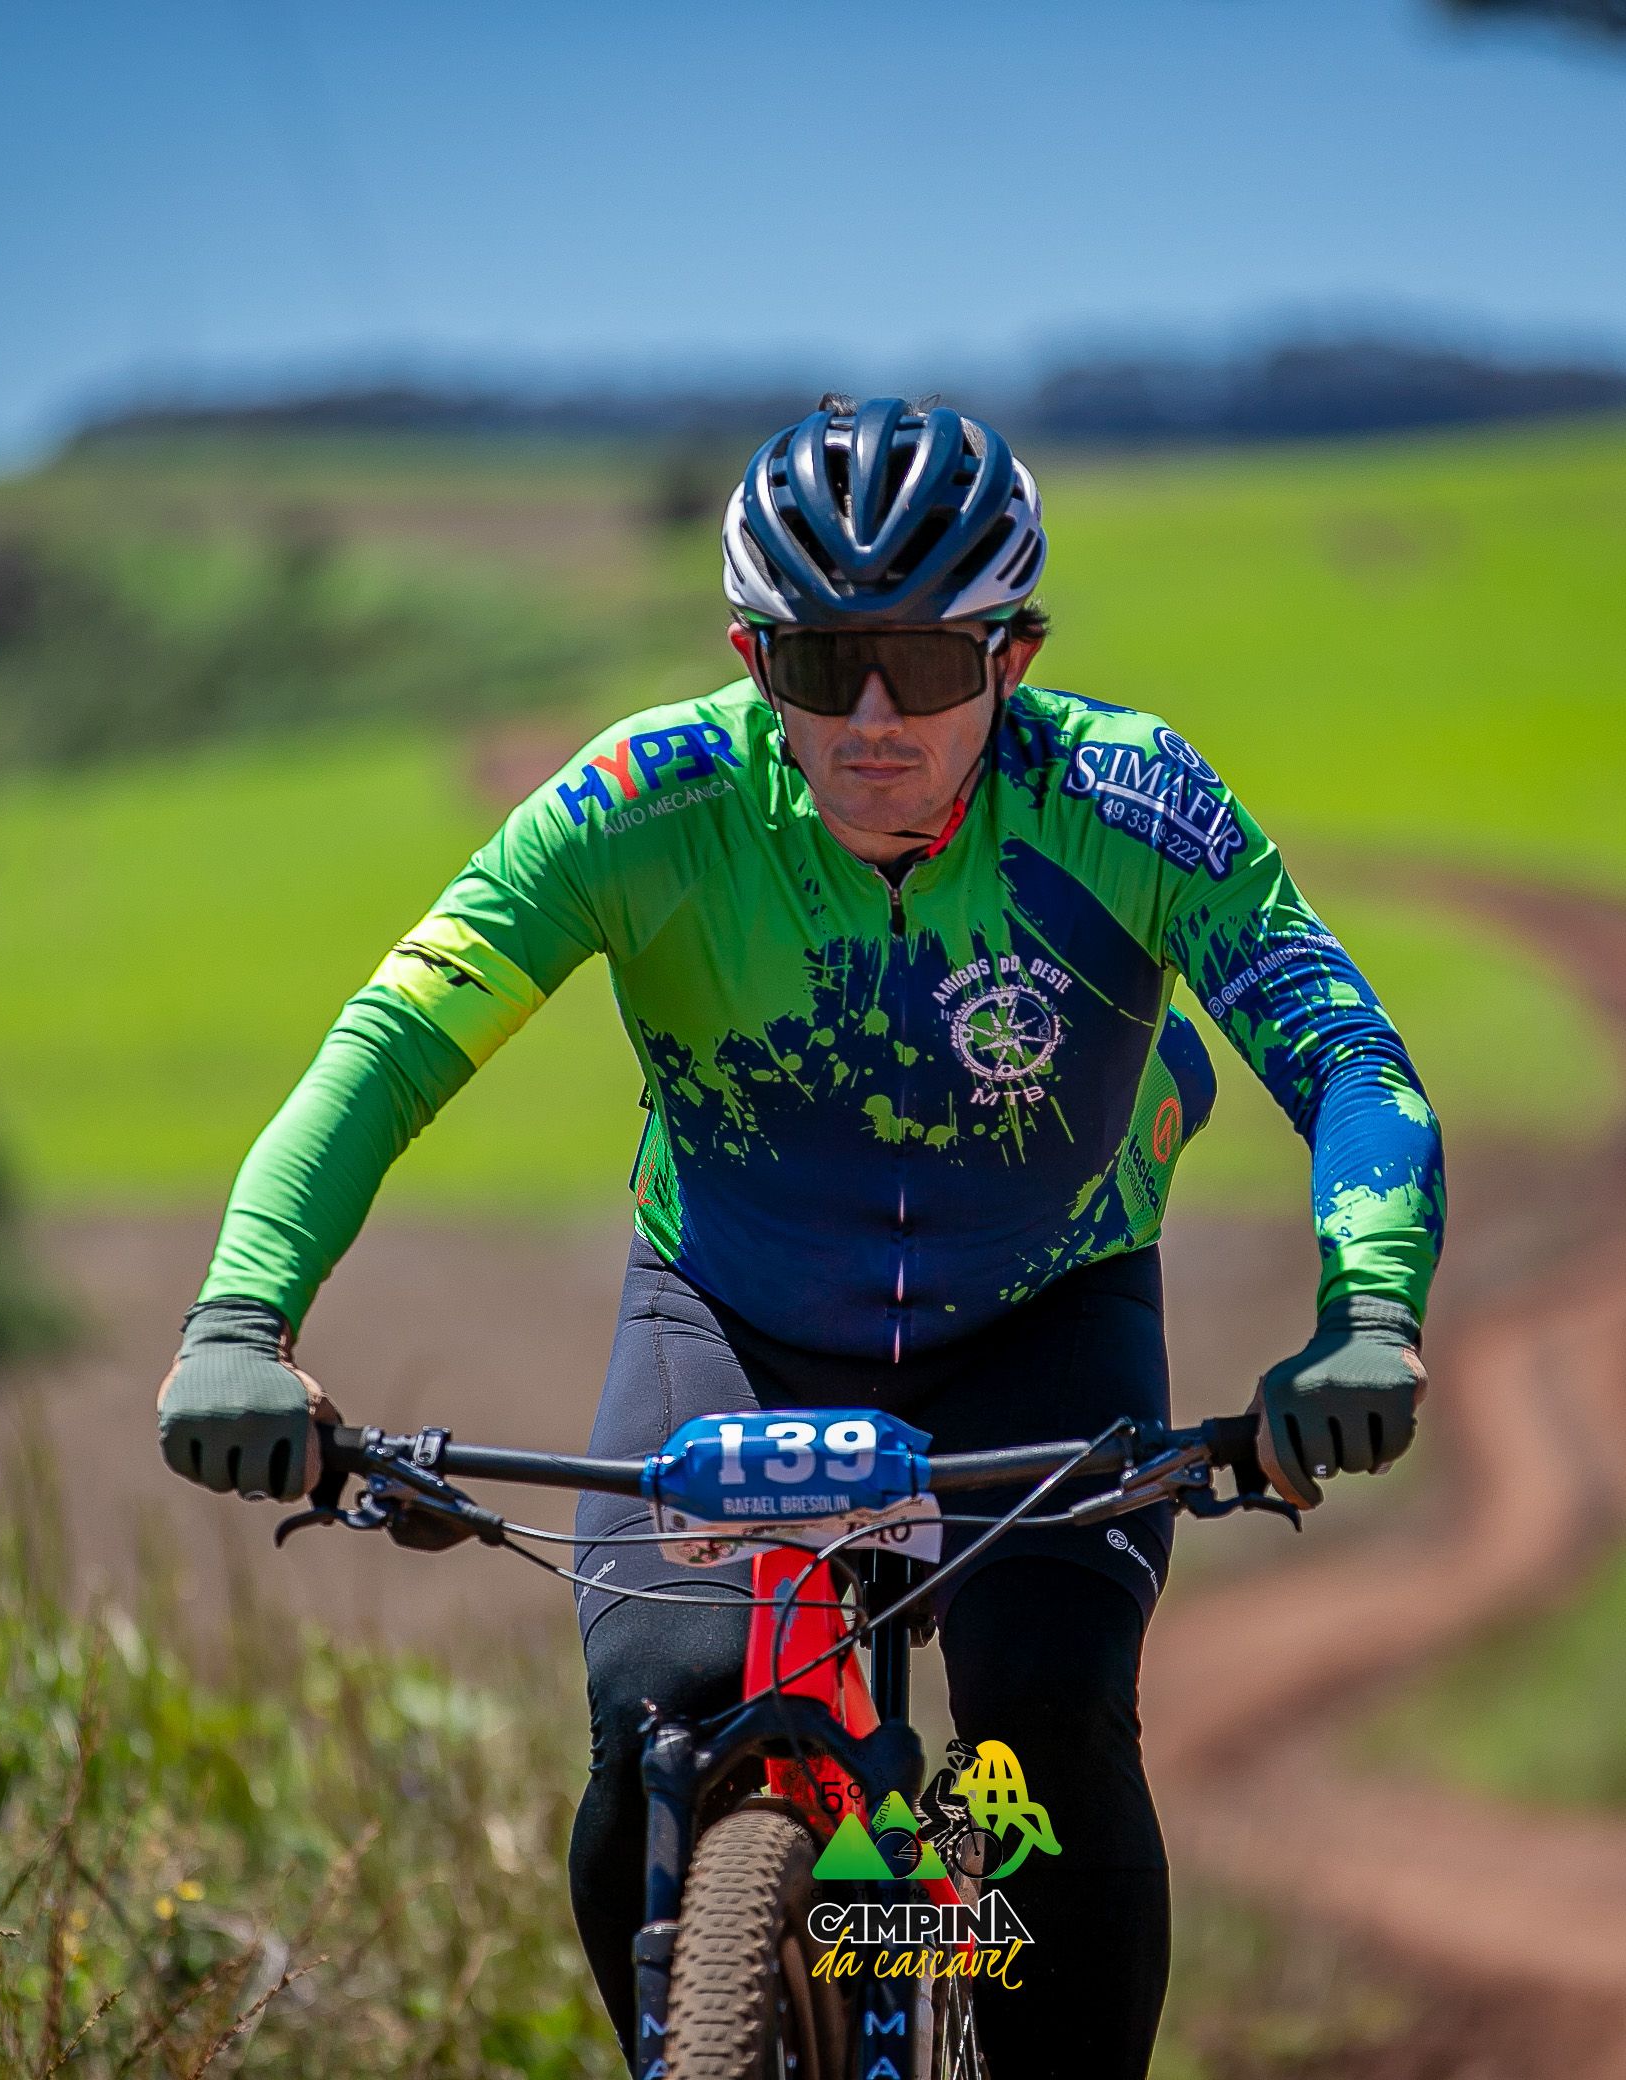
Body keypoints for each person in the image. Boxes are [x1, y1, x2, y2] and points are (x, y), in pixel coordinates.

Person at [151, 396, 1447, 2078]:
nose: (874, 716)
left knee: (1045, 1729)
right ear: (751, 658)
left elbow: (1347, 1056)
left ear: (1016, 653)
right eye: (824, 666)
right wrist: (239, 1319)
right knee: (657, 1727)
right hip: (732, 1313)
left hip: (1044, 1311)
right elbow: (392, 1044)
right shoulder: (644, 800)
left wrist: (1365, 1315)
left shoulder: (1130, 798)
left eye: (924, 657)